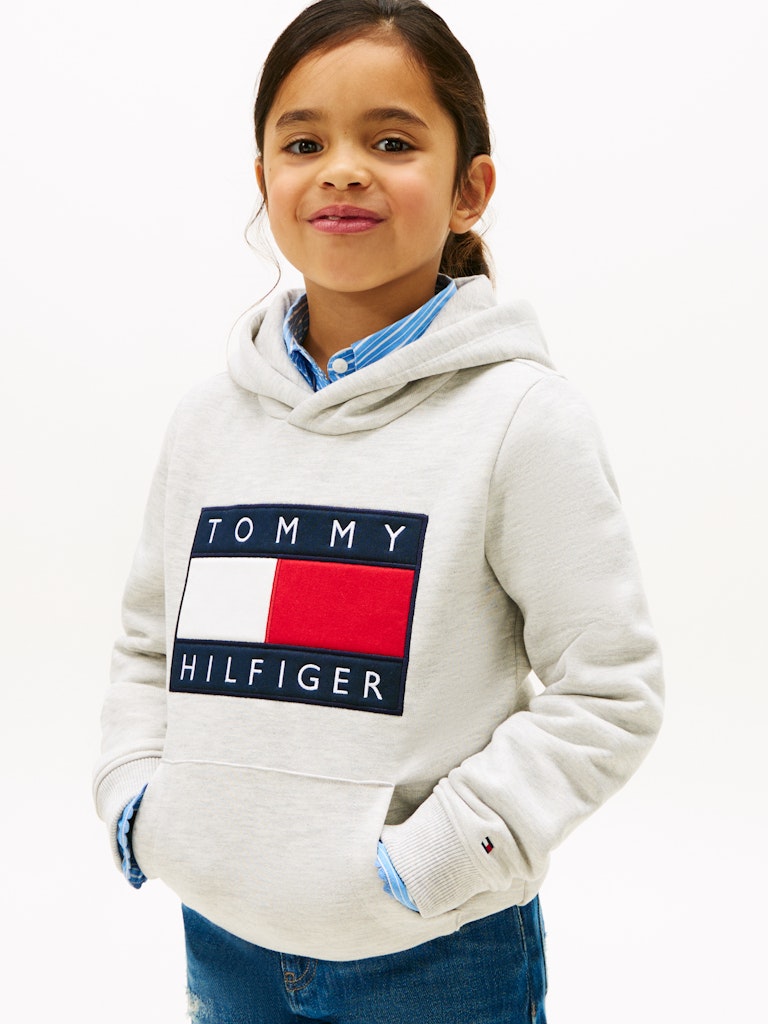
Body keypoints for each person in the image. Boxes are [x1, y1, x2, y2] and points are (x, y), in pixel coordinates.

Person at [93, 1, 664, 1021]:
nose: (344, 170)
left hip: (435, 956)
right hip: (223, 940)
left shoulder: (521, 420)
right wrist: (142, 807)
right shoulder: (208, 420)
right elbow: (149, 645)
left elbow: (609, 690)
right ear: (264, 179)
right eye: (304, 143)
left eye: (392, 142)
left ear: (469, 189)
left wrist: (431, 865)